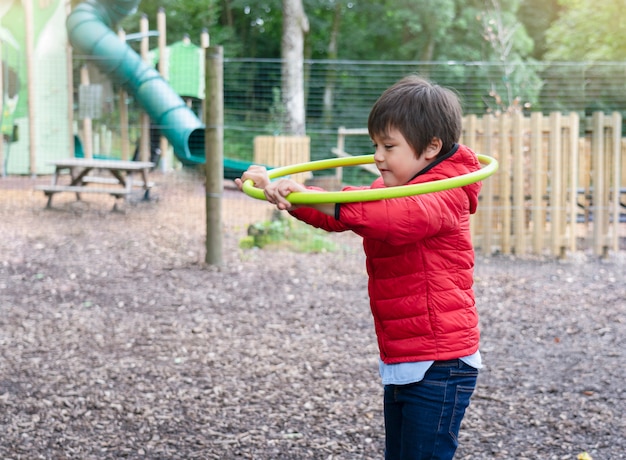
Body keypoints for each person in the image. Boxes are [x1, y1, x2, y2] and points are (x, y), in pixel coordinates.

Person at [235, 75, 483, 460]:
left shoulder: (445, 194)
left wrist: (310, 195)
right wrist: (288, 192)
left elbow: (392, 218)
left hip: (441, 364)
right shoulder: (397, 187)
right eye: (374, 146)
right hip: (405, 357)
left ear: (431, 147)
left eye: (388, 146)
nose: (377, 156)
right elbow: (342, 217)